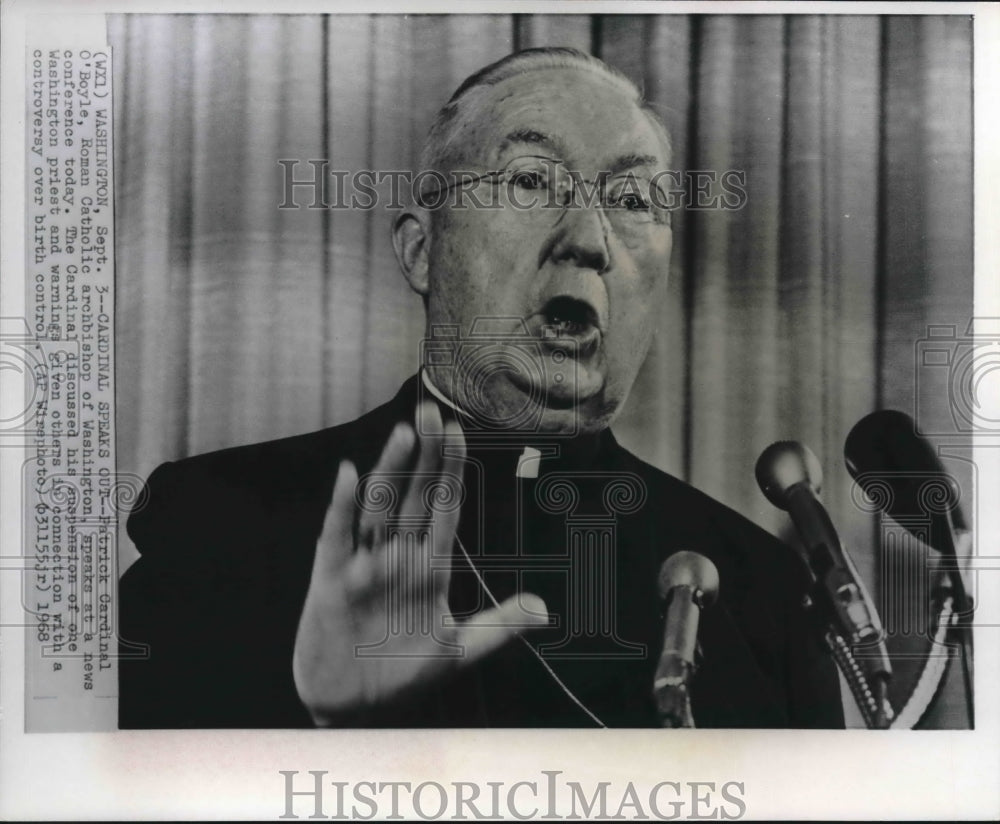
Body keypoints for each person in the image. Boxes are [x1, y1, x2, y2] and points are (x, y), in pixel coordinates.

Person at [118, 47, 844, 729]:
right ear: (422, 251)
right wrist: (332, 730)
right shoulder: (221, 524)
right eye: (530, 181)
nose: (588, 240)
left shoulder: (762, 590)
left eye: (630, 199)